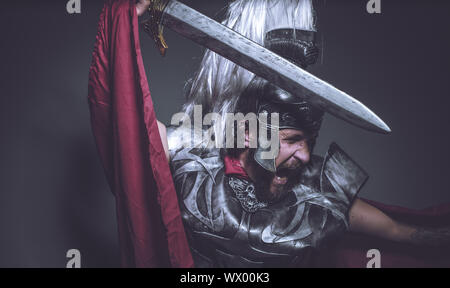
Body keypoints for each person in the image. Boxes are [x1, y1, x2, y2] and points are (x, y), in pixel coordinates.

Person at [95, 0, 449, 268]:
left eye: (309, 143)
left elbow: (406, 235)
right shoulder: (188, 160)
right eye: (293, 140)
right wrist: (125, 18)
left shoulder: (321, 192)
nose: (306, 156)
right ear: (249, 133)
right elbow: (122, 118)